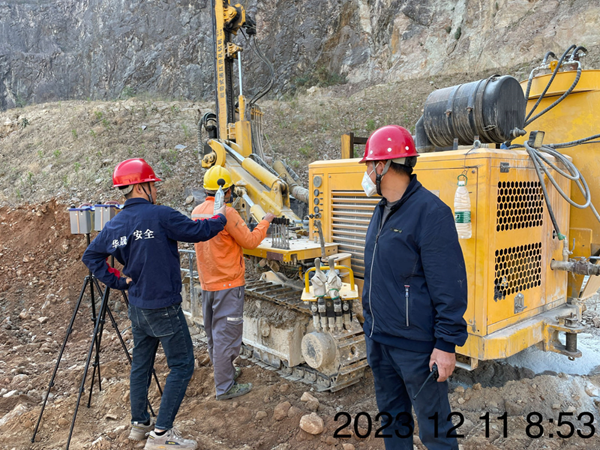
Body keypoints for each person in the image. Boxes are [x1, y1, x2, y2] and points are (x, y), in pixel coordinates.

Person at [82, 158, 227, 450]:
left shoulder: (116, 223)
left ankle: (140, 424)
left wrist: (119, 281)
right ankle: (162, 435)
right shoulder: (160, 215)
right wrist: (220, 216)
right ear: (141, 186)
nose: (156, 190)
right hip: (164, 306)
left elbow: (91, 256)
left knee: (141, 364)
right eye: (153, 185)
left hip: (138, 306)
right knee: (182, 365)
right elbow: (199, 231)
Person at [360, 125, 468, 450]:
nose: (366, 172)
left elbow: (450, 286)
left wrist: (446, 344)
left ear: (384, 166)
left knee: (436, 431)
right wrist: (370, 328)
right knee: (393, 425)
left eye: (369, 165)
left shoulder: (431, 213)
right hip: (380, 341)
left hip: (417, 349)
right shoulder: (381, 210)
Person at [192, 165, 274, 400]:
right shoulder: (226, 213)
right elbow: (250, 241)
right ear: (227, 191)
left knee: (214, 334)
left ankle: (224, 373)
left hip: (208, 283)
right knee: (226, 336)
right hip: (228, 284)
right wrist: (266, 221)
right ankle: (225, 387)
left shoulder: (197, 211)